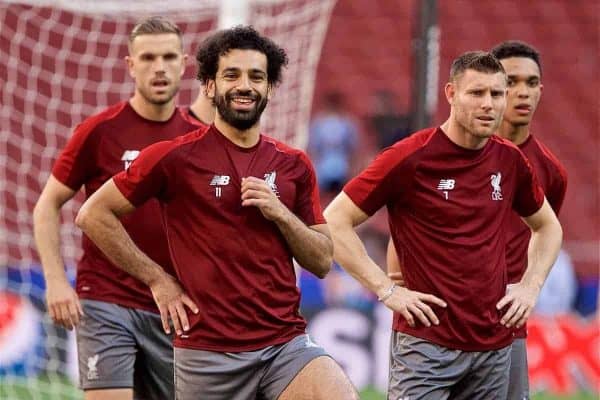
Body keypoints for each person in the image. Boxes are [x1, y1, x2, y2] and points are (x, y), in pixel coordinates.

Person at [75, 26, 359, 400]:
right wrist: (157, 279)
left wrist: (281, 213)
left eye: (257, 76)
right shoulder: (173, 158)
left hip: (283, 345)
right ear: (209, 86)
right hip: (207, 353)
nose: (245, 85)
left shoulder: (294, 164)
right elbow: (93, 214)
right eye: (232, 75)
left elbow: (322, 261)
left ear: (270, 88)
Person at [324, 51, 563, 399]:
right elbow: (335, 220)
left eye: (497, 94)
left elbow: (549, 227)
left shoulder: (510, 160)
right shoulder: (409, 157)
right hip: (426, 345)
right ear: (451, 94)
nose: (489, 104)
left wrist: (530, 286)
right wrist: (385, 290)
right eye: (476, 93)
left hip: (493, 346)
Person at [32, 17, 203, 400]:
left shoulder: (198, 137)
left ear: (183, 62)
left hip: (174, 305)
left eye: (168, 57)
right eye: (147, 58)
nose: (158, 67)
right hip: (105, 297)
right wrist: (56, 282)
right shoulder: (99, 131)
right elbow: (47, 207)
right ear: (130, 65)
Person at [490, 40, 568, 400]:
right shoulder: (450, 153)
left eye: (531, 83)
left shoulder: (550, 172)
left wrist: (529, 287)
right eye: (511, 81)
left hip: (506, 326)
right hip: (442, 323)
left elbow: (544, 236)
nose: (522, 92)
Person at [308, 91, 358, 193]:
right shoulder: (318, 123)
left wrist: (352, 169)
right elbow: (313, 149)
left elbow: (353, 150)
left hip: (341, 168)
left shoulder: (347, 123)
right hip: (323, 169)